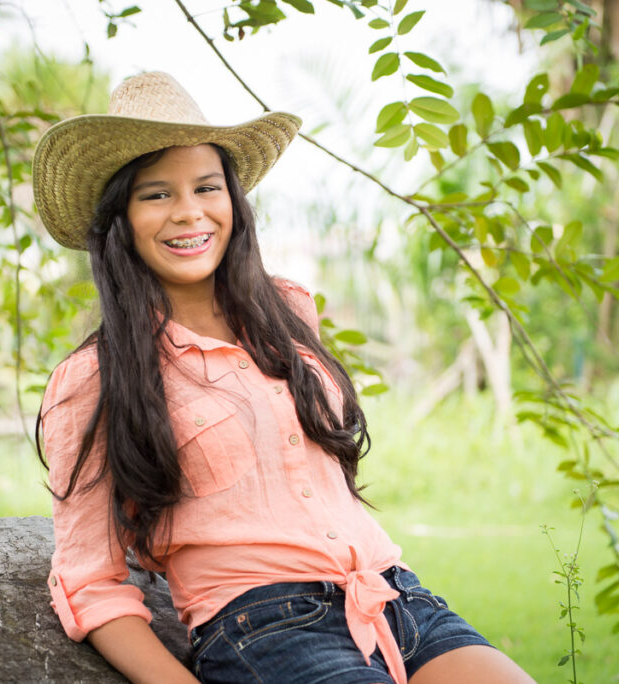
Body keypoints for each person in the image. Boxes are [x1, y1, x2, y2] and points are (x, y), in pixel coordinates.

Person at [33, 71, 534, 684]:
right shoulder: (94, 378)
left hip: (394, 597)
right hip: (263, 627)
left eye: (206, 187)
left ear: (232, 200)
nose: (189, 213)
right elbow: (90, 580)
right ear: (122, 219)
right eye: (156, 194)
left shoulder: (288, 312)